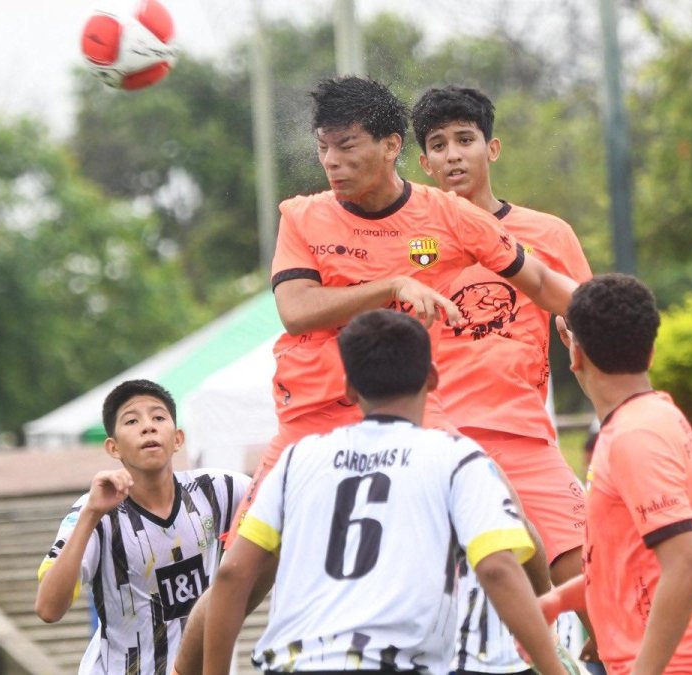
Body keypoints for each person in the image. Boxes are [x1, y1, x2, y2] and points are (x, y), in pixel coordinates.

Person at [226, 76, 578, 547]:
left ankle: (538, 619)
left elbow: (542, 283)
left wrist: (616, 320)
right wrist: (392, 285)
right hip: (310, 417)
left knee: (512, 537)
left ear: (391, 146)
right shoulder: (303, 216)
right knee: (237, 573)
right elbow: (296, 311)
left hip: (421, 415)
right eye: (323, 148)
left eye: (346, 146)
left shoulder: (456, 217)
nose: (332, 161)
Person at [188, 309, 575, 675]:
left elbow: (231, 575)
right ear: (433, 378)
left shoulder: (297, 461)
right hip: (395, 663)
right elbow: (496, 567)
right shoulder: (456, 459)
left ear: (350, 389)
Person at [410, 84, 594, 671]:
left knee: (587, 569)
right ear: (423, 163)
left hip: (524, 436)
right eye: (438, 145)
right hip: (436, 444)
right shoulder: (404, 240)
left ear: (492, 149)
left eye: (465, 140)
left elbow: (589, 318)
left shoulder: (548, 233)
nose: (453, 154)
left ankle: (592, 653)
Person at [538, 274, 692, 674]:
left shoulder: (634, 436)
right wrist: (557, 601)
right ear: (651, 352)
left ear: (575, 356)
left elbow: (686, 564)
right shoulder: (652, 416)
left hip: (687, 664)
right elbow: (633, 565)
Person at [35, 379, 249, 675]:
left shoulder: (221, 489)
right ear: (113, 447)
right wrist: (91, 515)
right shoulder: (95, 510)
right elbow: (48, 608)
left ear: (177, 438)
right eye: (132, 420)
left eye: (158, 417)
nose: (148, 427)